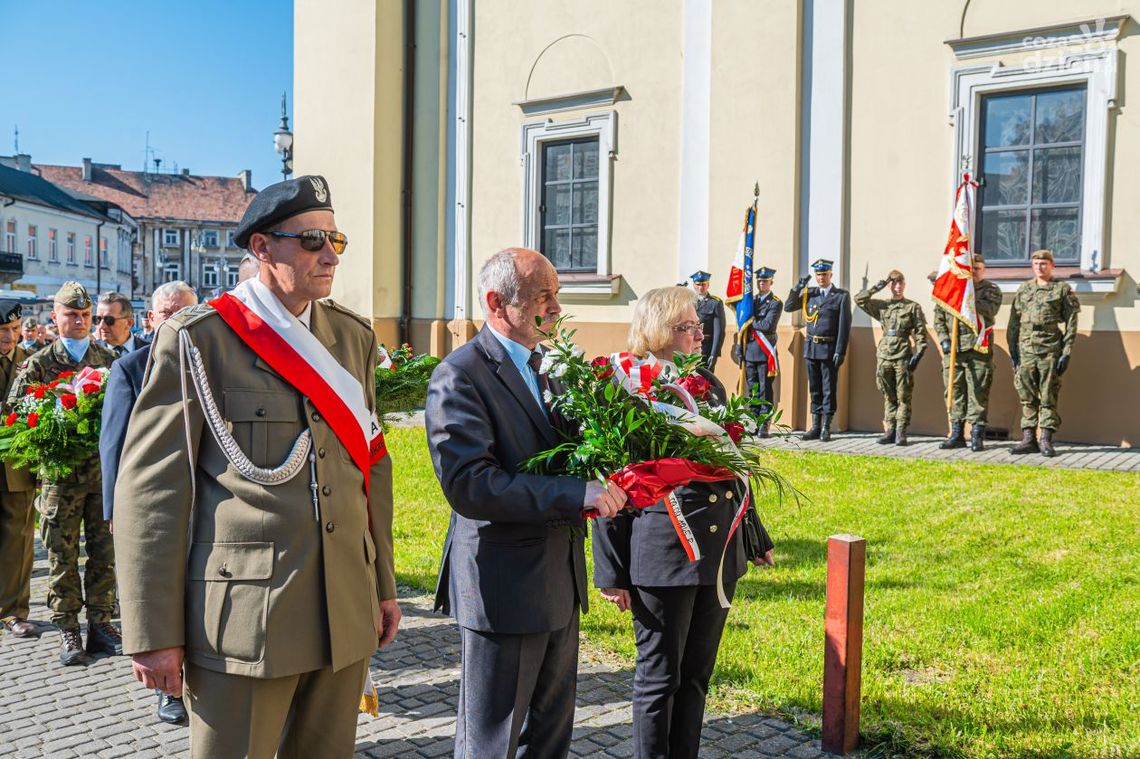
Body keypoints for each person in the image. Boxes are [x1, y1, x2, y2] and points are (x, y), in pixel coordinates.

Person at [112, 175, 401, 757]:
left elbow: (371, 471)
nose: (329, 254)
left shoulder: (352, 339)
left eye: (336, 240)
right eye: (312, 240)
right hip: (246, 622)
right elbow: (152, 494)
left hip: (343, 608)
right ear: (262, 248)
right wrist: (152, 633)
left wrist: (383, 586)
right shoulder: (200, 339)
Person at [426, 247, 629, 758]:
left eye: (557, 295)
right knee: (493, 739)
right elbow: (471, 484)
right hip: (504, 588)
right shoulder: (460, 374)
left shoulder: (548, 367)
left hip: (558, 581)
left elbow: (571, 450)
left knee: (550, 735)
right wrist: (573, 493)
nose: (557, 308)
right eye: (544, 297)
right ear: (498, 303)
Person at [593, 286, 775, 759]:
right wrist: (612, 571)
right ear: (655, 330)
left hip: (718, 553)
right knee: (660, 678)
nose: (699, 334)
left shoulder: (707, 384)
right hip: (663, 550)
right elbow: (609, 482)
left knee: (696, 676)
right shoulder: (626, 384)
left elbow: (734, 466)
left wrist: (754, 535)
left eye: (699, 326)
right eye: (687, 327)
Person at [98, 281, 197, 725]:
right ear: (151, 319)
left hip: (203, 503)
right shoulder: (132, 368)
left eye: (186, 313)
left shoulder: (210, 363)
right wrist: (115, 511)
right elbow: (113, 446)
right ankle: (168, 691)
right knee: (159, 597)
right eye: (168, 314)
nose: (177, 322)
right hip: (154, 509)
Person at [8, 282, 119, 666]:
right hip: (59, 477)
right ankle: (69, 628)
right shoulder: (38, 362)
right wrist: (49, 421)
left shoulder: (108, 358)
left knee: (104, 554)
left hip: (102, 476)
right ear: (55, 317)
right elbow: (14, 413)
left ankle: (102, 624)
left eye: (85, 315)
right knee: (62, 555)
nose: (79, 321)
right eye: (71, 314)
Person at [1007, 249, 1080, 457]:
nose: (1040, 267)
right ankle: (1028, 438)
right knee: (1026, 394)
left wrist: (1066, 352)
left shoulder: (1061, 290)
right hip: (1026, 347)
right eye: (1036, 264)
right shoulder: (1024, 289)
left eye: (1044, 264)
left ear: (1052, 266)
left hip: (1050, 348)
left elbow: (1071, 324)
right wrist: (1013, 349)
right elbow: (1014, 321)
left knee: (1048, 394)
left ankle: (1045, 439)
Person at [933, 253, 1003, 451]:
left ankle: (976, 435)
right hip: (954, 349)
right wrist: (945, 340)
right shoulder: (950, 291)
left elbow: (989, 310)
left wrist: (965, 296)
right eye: (969, 268)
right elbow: (939, 318)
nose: (972, 272)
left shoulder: (991, 290)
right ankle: (956, 434)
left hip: (977, 348)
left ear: (984, 270)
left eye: (977, 269)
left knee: (978, 392)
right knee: (955, 392)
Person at [0, 301, 39, 639]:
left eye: (14, 330)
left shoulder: (29, 360)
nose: (10, 338)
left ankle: (13, 610)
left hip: (16, 464)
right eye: (2, 331)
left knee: (18, 538)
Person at [854, 270, 928, 446]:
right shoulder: (882, 306)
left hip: (902, 354)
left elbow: (920, 333)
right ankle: (890, 430)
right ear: (889, 286)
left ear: (904, 284)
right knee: (888, 395)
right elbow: (859, 300)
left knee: (903, 394)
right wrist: (875, 288)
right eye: (894, 284)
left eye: (900, 283)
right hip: (884, 355)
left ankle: (901, 432)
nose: (897, 287)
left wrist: (919, 353)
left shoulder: (912, 307)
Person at [784, 258, 851, 441]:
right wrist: (797, 288)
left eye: (824, 274)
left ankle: (826, 427)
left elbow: (844, 327)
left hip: (829, 349)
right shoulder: (809, 294)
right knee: (815, 389)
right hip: (811, 348)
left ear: (831, 274)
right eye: (818, 274)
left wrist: (840, 350)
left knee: (828, 388)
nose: (821, 278)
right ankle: (815, 425)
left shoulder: (841, 296)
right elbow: (788, 307)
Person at [732, 267, 783, 436]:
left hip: (764, 352)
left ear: (771, 282)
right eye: (759, 281)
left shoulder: (775, 302)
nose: (762, 284)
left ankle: (764, 422)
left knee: (764, 389)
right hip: (750, 350)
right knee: (752, 386)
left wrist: (750, 320)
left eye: (765, 281)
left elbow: (768, 325)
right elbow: (743, 325)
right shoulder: (751, 302)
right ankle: (753, 419)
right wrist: (740, 346)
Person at [690, 271, 725, 371]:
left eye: (703, 284)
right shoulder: (688, 302)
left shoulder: (715, 303)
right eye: (698, 284)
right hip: (689, 348)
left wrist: (714, 354)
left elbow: (719, 331)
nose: (700, 287)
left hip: (706, 349)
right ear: (693, 285)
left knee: (705, 382)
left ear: (708, 285)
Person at [94, 292, 146, 357]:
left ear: (129, 323)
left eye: (109, 320)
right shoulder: (89, 352)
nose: (101, 326)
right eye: (97, 319)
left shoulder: (150, 351)